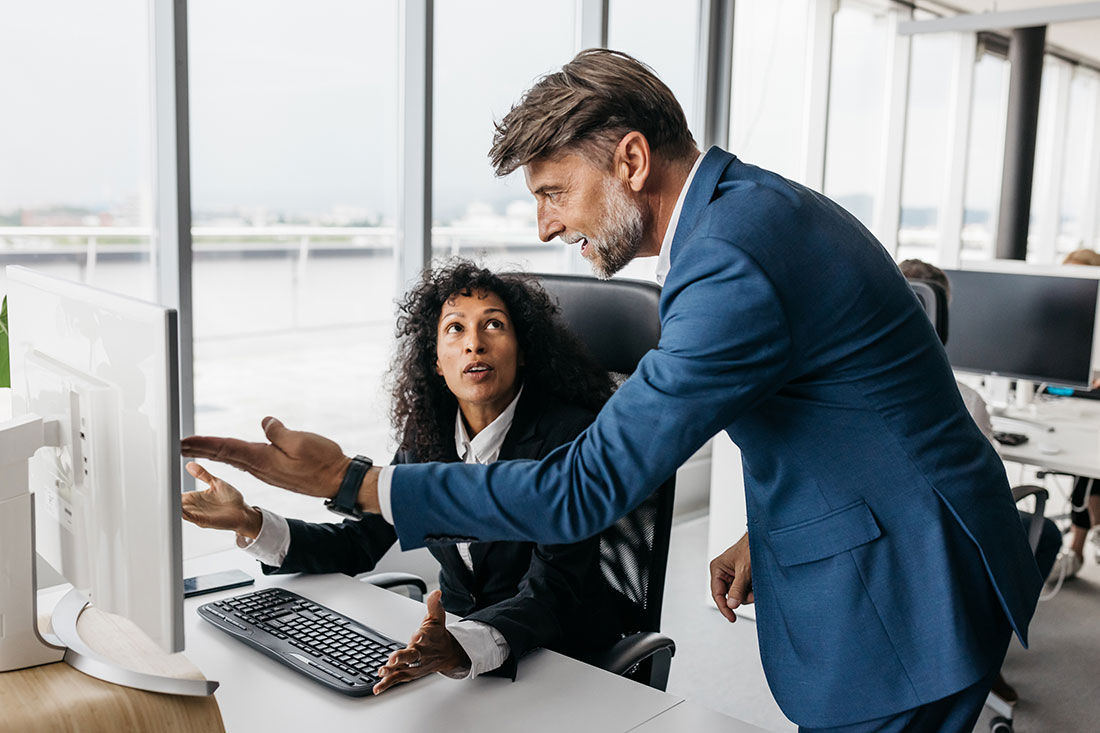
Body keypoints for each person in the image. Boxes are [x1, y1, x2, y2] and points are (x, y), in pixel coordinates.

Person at [184, 50, 1042, 731]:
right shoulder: (742, 217)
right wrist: (766, 531)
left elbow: (583, 488)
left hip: (911, 579)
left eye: (554, 191)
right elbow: (838, 408)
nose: (547, 224)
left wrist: (352, 480)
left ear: (630, 158)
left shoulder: (730, 259)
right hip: (893, 528)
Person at [182, 260, 622, 694]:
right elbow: (361, 542)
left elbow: (553, 591)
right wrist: (252, 524)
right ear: (436, 361)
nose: (474, 344)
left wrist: (461, 646)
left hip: (557, 661)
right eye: (455, 328)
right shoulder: (428, 433)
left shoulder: (571, 436)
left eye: (493, 325)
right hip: (453, 661)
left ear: (523, 350)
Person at [899, 258, 1063, 705]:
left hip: (889, 550)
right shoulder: (965, 399)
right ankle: (990, 650)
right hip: (951, 551)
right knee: (1044, 532)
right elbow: (986, 496)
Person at [1055, 248, 1100, 578]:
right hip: (1070, 410)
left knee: (1089, 468)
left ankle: (1078, 545)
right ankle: (1078, 546)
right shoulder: (1062, 318)